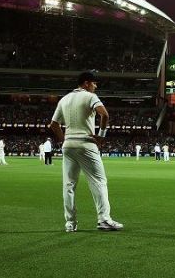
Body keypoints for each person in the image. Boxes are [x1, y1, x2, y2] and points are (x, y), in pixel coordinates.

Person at [49, 70, 123, 232]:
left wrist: (64, 140)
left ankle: (70, 224)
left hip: (68, 145)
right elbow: (104, 115)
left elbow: (53, 125)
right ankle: (104, 219)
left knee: (68, 185)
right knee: (98, 182)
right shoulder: (90, 97)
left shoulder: (64, 99)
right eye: (94, 83)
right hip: (86, 144)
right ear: (86, 83)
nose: (96, 86)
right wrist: (101, 137)